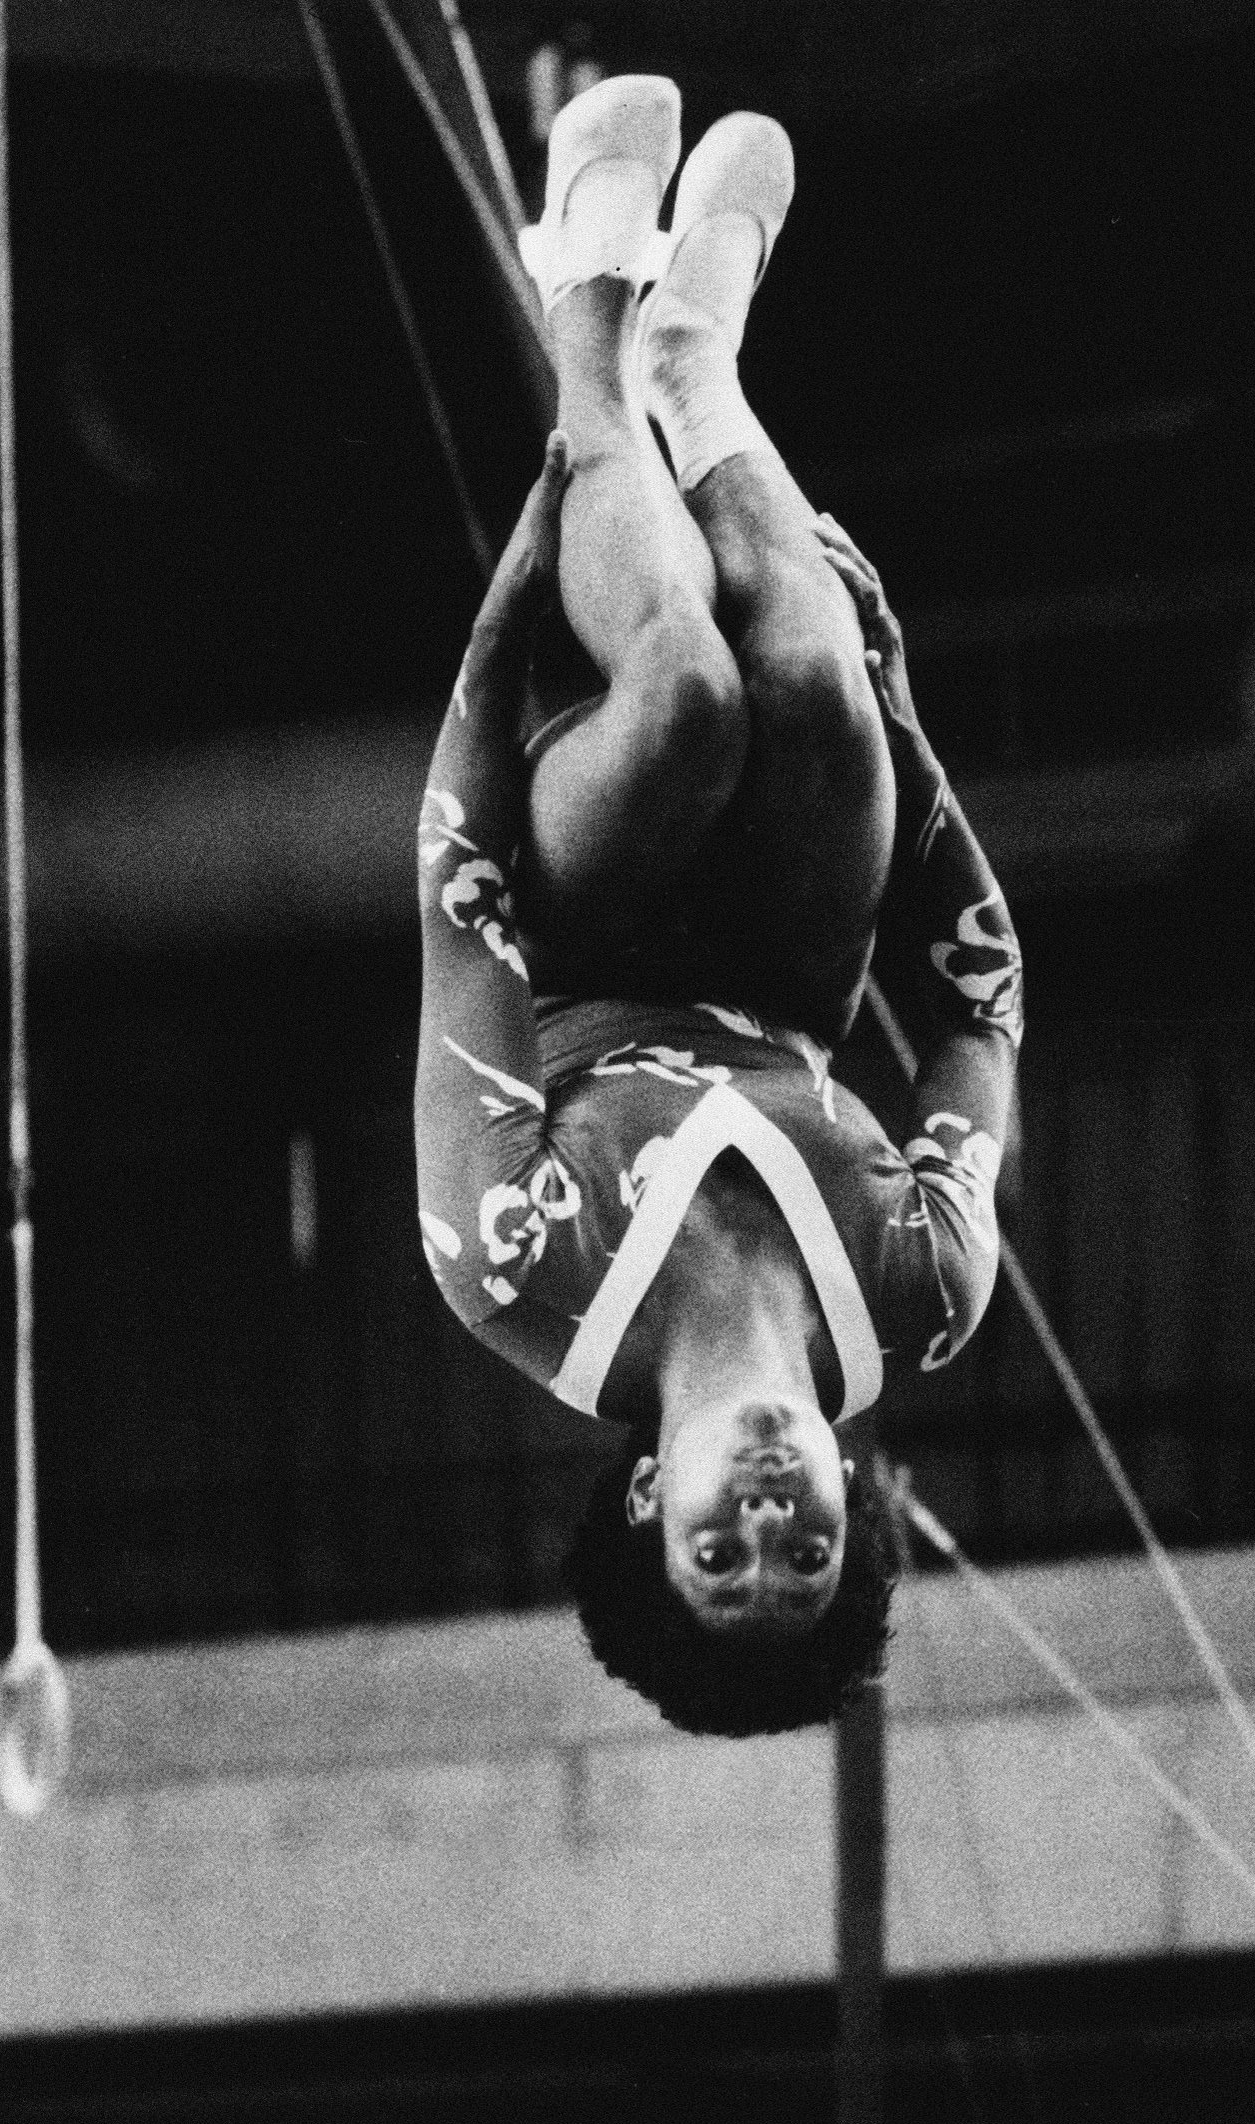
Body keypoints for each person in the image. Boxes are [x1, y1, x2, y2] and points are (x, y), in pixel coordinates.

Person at [415, 73, 1022, 1734]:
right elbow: (978, 1001)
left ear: (642, 1506)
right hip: (782, 960)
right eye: (803, 1558)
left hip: (575, 909)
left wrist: (496, 640)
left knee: (684, 695)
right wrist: (893, 704)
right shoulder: (922, 1287)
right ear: (854, 1504)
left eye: (717, 1558)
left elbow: (460, 915)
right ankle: (699, 373)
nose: (765, 1522)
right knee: (812, 701)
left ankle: (593, 327)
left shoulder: (513, 1267)